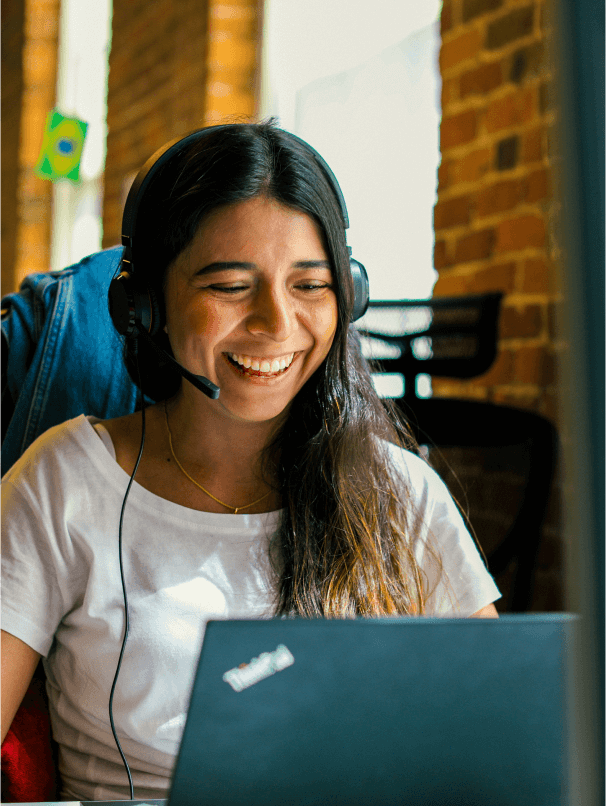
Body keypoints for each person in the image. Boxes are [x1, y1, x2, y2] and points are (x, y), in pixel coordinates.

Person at [0, 122, 500, 801]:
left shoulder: (400, 492)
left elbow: (499, 736)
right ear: (144, 308)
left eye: (310, 284)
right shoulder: (64, 483)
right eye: (231, 285)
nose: (276, 321)